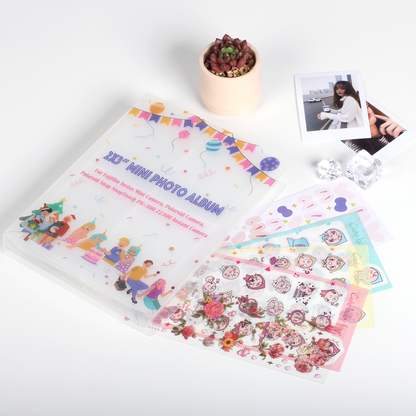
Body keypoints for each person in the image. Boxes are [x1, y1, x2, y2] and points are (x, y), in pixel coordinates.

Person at [341, 104, 406, 155]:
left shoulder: (391, 120)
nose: (362, 111)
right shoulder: (352, 146)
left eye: (361, 105)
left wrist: (405, 127)